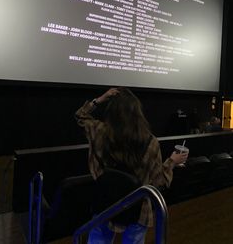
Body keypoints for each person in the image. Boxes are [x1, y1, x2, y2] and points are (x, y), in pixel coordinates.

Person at [75, 87, 188, 244]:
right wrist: (172, 162)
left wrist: (100, 99)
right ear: (138, 113)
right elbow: (159, 181)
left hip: (105, 203)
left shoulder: (99, 131)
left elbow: (80, 116)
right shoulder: (151, 143)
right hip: (138, 209)